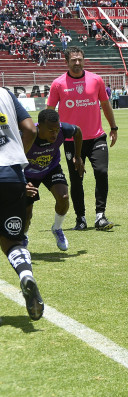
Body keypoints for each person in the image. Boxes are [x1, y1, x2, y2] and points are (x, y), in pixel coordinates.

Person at [47, 47, 118, 231]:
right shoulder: (58, 84)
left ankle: (100, 216)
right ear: (66, 62)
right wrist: (49, 134)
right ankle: (81, 218)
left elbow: (105, 104)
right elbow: (49, 111)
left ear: (84, 60)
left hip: (96, 137)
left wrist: (113, 127)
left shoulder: (96, 80)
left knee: (101, 172)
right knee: (76, 179)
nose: (77, 63)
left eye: (80, 59)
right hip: (71, 141)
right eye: (73, 60)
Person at [0, 86, 43, 320]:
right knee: (12, 240)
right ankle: (25, 273)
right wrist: (16, 158)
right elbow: (30, 129)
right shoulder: (5, 93)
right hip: (12, 175)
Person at [24, 109, 84, 252]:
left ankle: (57, 228)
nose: (55, 134)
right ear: (39, 127)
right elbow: (12, 158)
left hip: (50, 169)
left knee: (63, 197)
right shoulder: (27, 135)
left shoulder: (63, 130)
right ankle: (23, 237)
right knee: (26, 212)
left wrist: (78, 156)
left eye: (57, 130)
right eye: (51, 130)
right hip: (27, 173)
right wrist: (21, 182)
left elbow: (78, 132)